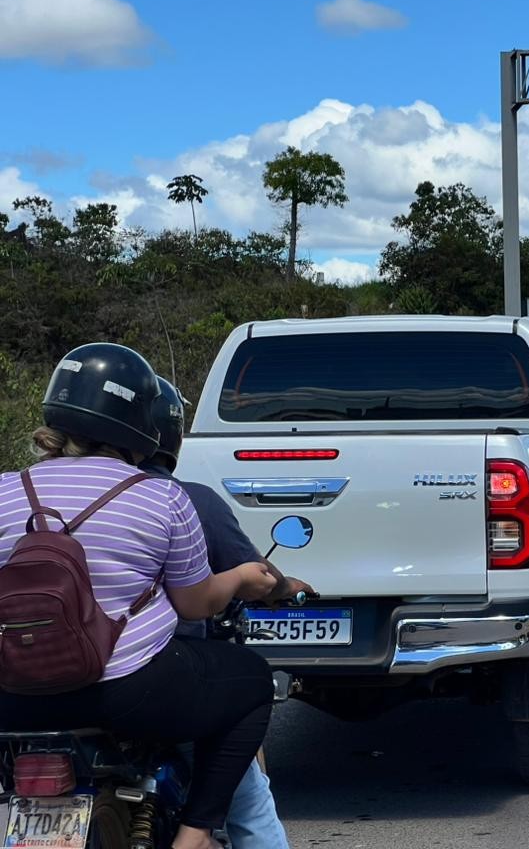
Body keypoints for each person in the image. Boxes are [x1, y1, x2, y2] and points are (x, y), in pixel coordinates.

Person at [0, 344, 278, 849]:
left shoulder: (4, 490)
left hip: (14, 696)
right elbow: (196, 603)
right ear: (140, 421)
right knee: (253, 685)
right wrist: (239, 579)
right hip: (128, 691)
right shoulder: (161, 495)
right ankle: (193, 837)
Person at [145, 378, 314, 849]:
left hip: (40, 683)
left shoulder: (30, 493)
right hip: (156, 679)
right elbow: (213, 592)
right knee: (249, 792)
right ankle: (198, 831)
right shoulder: (184, 499)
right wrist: (276, 586)